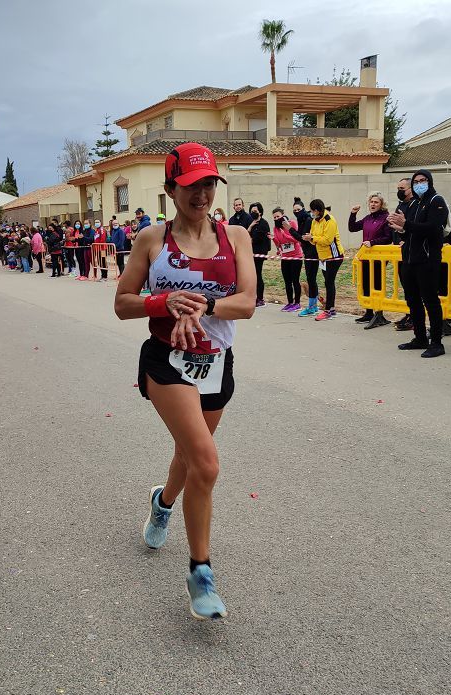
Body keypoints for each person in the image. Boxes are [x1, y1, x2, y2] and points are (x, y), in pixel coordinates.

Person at [113, 142, 254, 621]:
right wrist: (162, 301)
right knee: (208, 464)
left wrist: (207, 305)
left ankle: (163, 502)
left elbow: (248, 303)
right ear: (171, 188)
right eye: (193, 185)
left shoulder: (236, 237)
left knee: (188, 458)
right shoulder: (152, 240)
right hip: (166, 360)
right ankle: (200, 573)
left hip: (215, 362)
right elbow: (123, 303)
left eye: (210, 183)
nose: (203, 193)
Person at [387, 170, 448, 357]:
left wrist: (406, 225)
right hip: (409, 259)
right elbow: (412, 231)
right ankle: (420, 337)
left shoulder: (436, 201)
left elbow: (433, 229)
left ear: (430, 181)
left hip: (427, 260)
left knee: (430, 301)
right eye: (416, 182)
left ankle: (437, 343)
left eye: (423, 180)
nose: (419, 184)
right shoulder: (416, 203)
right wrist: (401, 230)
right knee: (412, 301)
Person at [348, 192, 393, 328]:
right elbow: (352, 228)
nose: (373, 204)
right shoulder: (368, 218)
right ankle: (368, 312)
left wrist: (372, 242)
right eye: (371, 202)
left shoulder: (386, 218)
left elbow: (388, 238)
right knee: (366, 283)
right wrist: (353, 214)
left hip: (379, 257)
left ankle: (379, 314)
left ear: (382, 204)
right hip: (366, 256)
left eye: (376, 202)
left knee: (376, 284)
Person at [303, 199, 343, 321]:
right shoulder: (315, 221)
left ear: (317, 210)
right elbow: (313, 237)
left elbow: (327, 240)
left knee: (329, 282)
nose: (311, 213)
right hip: (323, 256)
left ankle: (329, 310)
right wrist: (309, 238)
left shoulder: (329, 220)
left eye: (312, 211)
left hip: (333, 256)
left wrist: (313, 238)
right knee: (327, 281)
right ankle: (330, 308)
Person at [391, 179, 414, 331]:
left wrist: (405, 240)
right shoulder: (400, 205)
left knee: (412, 288)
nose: (400, 190)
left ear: (410, 189)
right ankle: (409, 313)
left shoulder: (414, 205)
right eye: (398, 188)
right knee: (406, 287)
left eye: (402, 188)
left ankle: (414, 317)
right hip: (399, 253)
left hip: (412, 253)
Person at [272, 207, 303, 311]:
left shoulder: (292, 224)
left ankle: (297, 302)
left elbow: (296, 240)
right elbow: (279, 243)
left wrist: (284, 234)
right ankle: (290, 302)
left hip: (296, 256)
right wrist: (273, 239)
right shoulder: (275, 228)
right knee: (287, 281)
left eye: (278, 216)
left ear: (283, 215)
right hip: (285, 257)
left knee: (295, 280)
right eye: (275, 217)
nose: (276, 219)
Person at [293, 198, 320, 317]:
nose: (297, 212)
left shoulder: (308, 220)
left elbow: (302, 237)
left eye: (298, 209)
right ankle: (313, 306)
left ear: (304, 209)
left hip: (313, 253)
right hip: (308, 253)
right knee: (311, 279)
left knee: (311, 279)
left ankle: (312, 306)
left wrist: (290, 229)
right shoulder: (301, 220)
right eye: (294, 210)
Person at [247, 202, 270, 307]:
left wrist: (249, 239)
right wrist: (250, 227)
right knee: (252, 276)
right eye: (251, 211)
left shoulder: (263, 224)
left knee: (258, 275)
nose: (253, 213)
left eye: (255, 211)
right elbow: (246, 237)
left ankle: (260, 298)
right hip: (250, 253)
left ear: (260, 212)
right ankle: (253, 296)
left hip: (259, 253)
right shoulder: (252, 223)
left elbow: (255, 239)